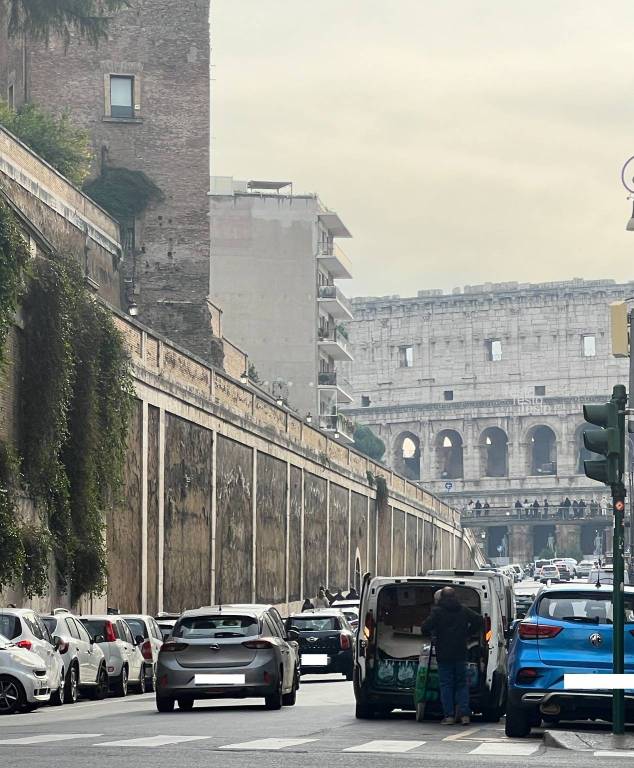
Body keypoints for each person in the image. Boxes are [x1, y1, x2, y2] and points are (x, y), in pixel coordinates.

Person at [420, 586, 483, 725]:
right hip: (460, 652)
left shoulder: (437, 612)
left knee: (446, 684)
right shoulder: (463, 610)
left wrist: (433, 634)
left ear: (441, 597)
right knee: (462, 684)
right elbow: (479, 619)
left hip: (444, 653)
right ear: (455, 597)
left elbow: (425, 627)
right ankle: (465, 715)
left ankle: (449, 716)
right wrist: (467, 633)